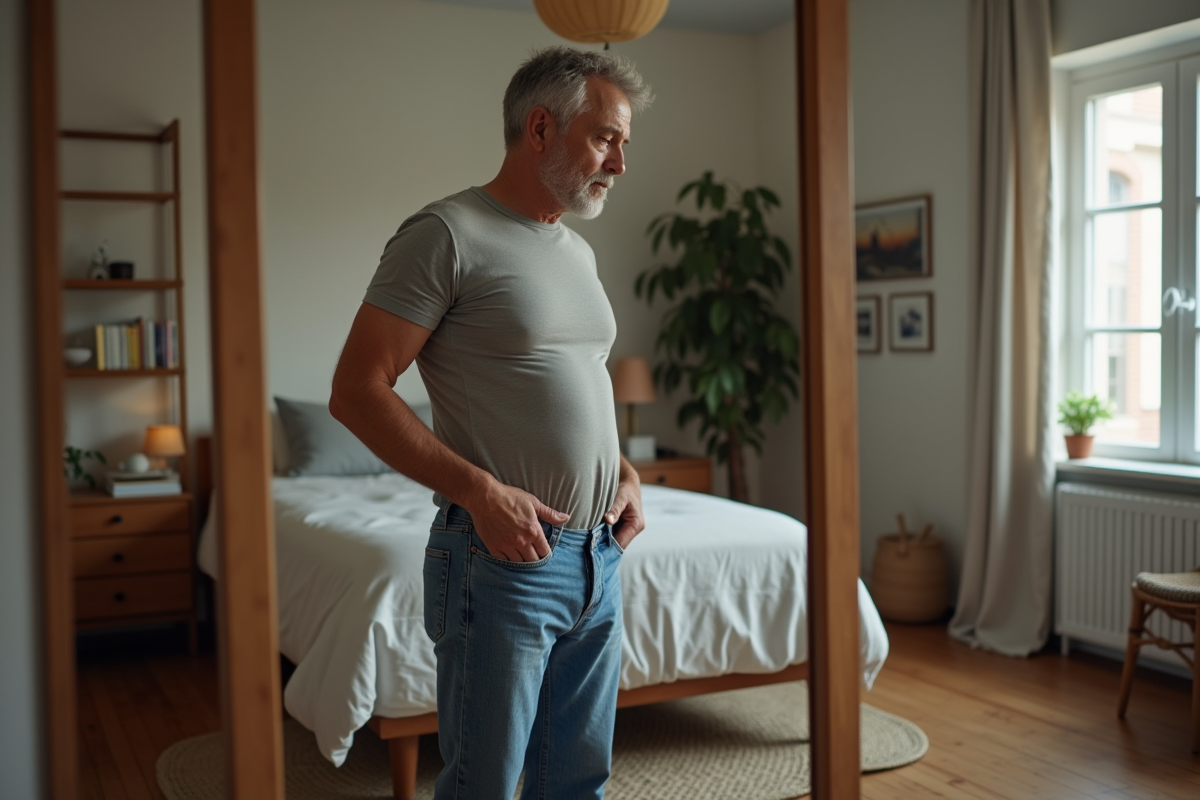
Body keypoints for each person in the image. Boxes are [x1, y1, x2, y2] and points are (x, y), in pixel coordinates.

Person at [328, 47, 654, 800]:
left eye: (624, 144)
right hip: (501, 561)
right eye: (606, 138)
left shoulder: (576, 250)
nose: (620, 163)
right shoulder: (447, 233)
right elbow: (357, 389)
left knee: (576, 781)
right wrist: (479, 491)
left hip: (596, 557)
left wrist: (626, 476)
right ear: (540, 128)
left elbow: (582, 380)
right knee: (487, 786)